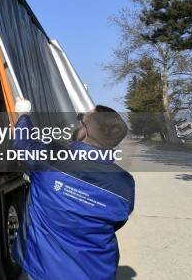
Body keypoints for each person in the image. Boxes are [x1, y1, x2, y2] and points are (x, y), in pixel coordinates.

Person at [11, 98, 135, 280]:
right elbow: (117, 221)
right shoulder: (125, 182)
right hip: (98, 272)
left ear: (85, 131)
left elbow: (22, 146)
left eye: (81, 119)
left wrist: (23, 115)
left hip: (48, 272)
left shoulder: (51, 158)